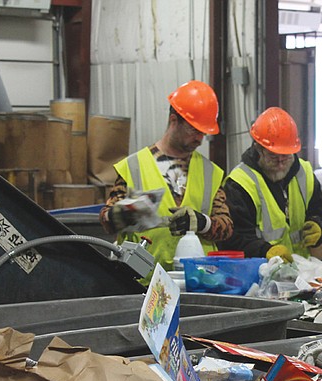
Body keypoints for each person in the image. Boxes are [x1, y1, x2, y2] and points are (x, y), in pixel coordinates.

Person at [99, 80, 233, 275]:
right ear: (173, 120)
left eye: (203, 132)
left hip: (196, 280)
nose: (199, 139)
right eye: (193, 130)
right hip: (141, 279)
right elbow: (106, 220)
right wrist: (127, 212)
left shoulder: (209, 172)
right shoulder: (135, 166)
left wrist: (202, 222)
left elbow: (226, 226)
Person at [222, 107, 322, 262]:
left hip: (300, 274)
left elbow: (320, 213)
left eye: (285, 156)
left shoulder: (305, 174)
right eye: (273, 156)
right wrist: (265, 251)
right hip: (258, 274)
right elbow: (234, 239)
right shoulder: (240, 184)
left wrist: (320, 227)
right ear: (258, 149)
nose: (280, 163)